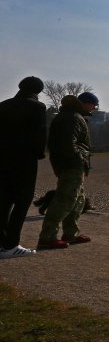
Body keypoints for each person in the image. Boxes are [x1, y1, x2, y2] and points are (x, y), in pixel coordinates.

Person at [37, 91, 99, 250]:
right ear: (85, 103)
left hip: (70, 164)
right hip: (71, 165)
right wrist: (79, 161)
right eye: (94, 105)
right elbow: (68, 144)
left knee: (78, 199)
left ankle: (71, 233)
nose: (95, 108)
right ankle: (47, 237)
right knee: (65, 200)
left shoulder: (70, 115)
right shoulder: (73, 117)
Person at [0, 77, 47, 259]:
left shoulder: (3, 105)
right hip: (24, 160)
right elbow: (39, 133)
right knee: (22, 201)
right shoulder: (37, 107)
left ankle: (2, 242)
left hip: (2, 159)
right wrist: (39, 153)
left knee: (3, 202)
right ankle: (11, 244)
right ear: (38, 91)